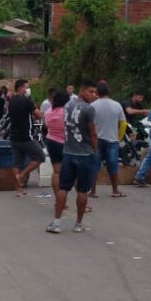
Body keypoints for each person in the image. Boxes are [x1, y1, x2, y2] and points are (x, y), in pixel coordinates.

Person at [47, 79, 99, 234]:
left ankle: (57, 223)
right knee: (82, 190)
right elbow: (93, 133)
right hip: (84, 154)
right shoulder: (89, 109)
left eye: (95, 92)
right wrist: (95, 151)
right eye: (91, 91)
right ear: (82, 91)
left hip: (68, 152)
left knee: (63, 188)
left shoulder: (67, 106)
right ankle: (78, 223)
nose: (93, 95)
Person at [8, 79, 45, 196]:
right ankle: (23, 175)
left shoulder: (12, 100)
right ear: (20, 88)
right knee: (40, 157)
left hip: (14, 137)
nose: (27, 90)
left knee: (16, 163)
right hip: (26, 137)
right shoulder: (26, 101)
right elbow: (38, 115)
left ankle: (19, 189)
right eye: (26, 87)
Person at [92, 82, 127, 198]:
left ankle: (93, 191)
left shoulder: (93, 106)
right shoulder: (117, 105)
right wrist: (119, 137)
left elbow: (89, 124)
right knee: (113, 166)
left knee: (94, 166)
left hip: (97, 140)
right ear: (109, 92)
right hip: (112, 140)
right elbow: (123, 123)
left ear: (97, 93)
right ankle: (115, 190)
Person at [42, 89, 70, 199]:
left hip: (51, 141)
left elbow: (46, 125)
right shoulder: (66, 112)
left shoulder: (48, 111)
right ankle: (83, 202)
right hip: (65, 143)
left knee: (56, 172)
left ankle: (59, 199)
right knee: (74, 172)